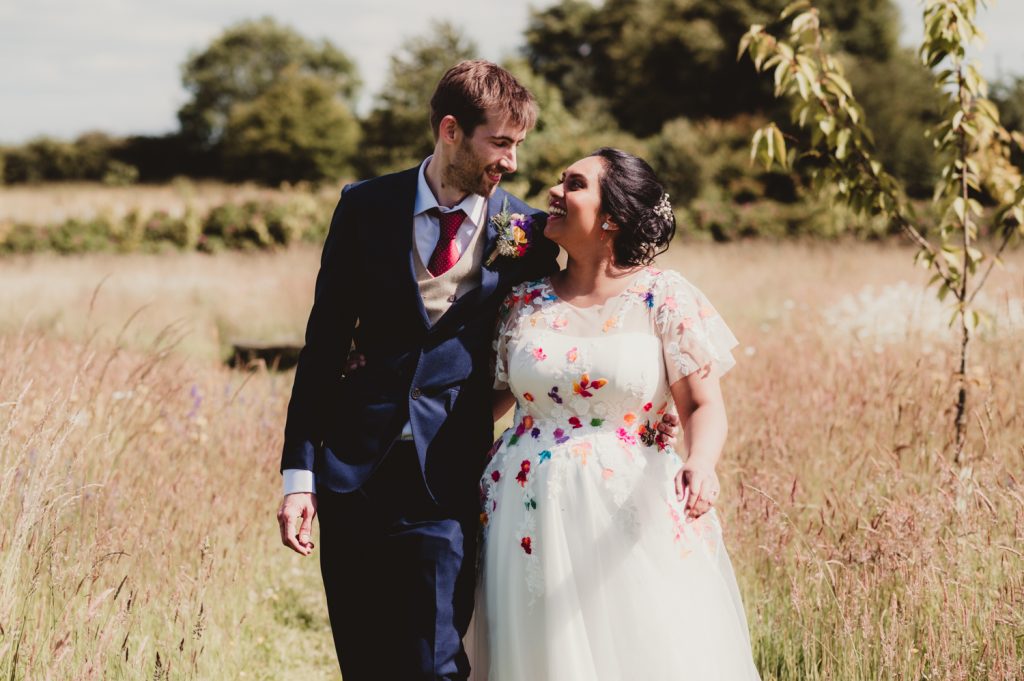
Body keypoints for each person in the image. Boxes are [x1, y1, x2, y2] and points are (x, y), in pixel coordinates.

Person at [275, 62, 680, 680]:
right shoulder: (364, 207)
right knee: (363, 660)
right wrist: (298, 475)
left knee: (438, 659)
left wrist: (651, 404)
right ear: (450, 131)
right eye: (501, 142)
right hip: (352, 471)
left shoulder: (524, 231)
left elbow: (591, 308)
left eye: (519, 145)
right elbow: (324, 346)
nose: (512, 162)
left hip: (451, 475)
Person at [471, 148, 761, 680]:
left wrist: (702, 461)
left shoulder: (663, 297)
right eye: (560, 181)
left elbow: (701, 402)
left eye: (574, 184)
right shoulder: (523, 302)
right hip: (523, 508)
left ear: (612, 217)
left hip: (630, 508)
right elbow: (485, 404)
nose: (554, 193)